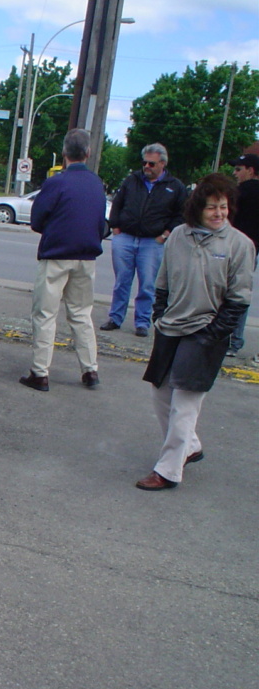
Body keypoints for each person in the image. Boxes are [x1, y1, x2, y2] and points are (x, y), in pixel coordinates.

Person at [136, 174, 254, 490]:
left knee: (185, 404)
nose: (218, 213)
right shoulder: (178, 236)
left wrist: (215, 332)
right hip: (171, 326)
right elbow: (162, 283)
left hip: (205, 332)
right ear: (198, 208)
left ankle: (168, 470)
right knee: (160, 393)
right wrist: (160, 316)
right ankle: (190, 446)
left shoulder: (240, 245)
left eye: (223, 207)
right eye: (212, 207)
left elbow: (239, 298)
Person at [19, 128, 108, 392]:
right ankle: (90, 370)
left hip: (56, 255)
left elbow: (37, 220)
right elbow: (100, 222)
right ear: (88, 153)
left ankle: (40, 372)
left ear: (65, 152)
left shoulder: (56, 182)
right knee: (81, 314)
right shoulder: (96, 183)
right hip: (87, 256)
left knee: (46, 314)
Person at [102, 143, 188, 337]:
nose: (147, 167)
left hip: (152, 242)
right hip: (126, 237)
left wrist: (165, 235)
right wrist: (116, 227)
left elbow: (181, 214)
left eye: (152, 163)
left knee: (148, 284)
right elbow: (118, 203)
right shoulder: (132, 180)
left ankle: (142, 322)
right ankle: (115, 318)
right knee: (122, 281)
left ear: (162, 164)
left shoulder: (175, 187)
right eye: (144, 163)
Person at [227, 153, 259, 357]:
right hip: (252, 248)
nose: (235, 173)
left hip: (235, 247)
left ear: (251, 170)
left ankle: (230, 339)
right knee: (242, 291)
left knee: (229, 292)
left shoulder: (240, 193)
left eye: (239, 169)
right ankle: (234, 339)